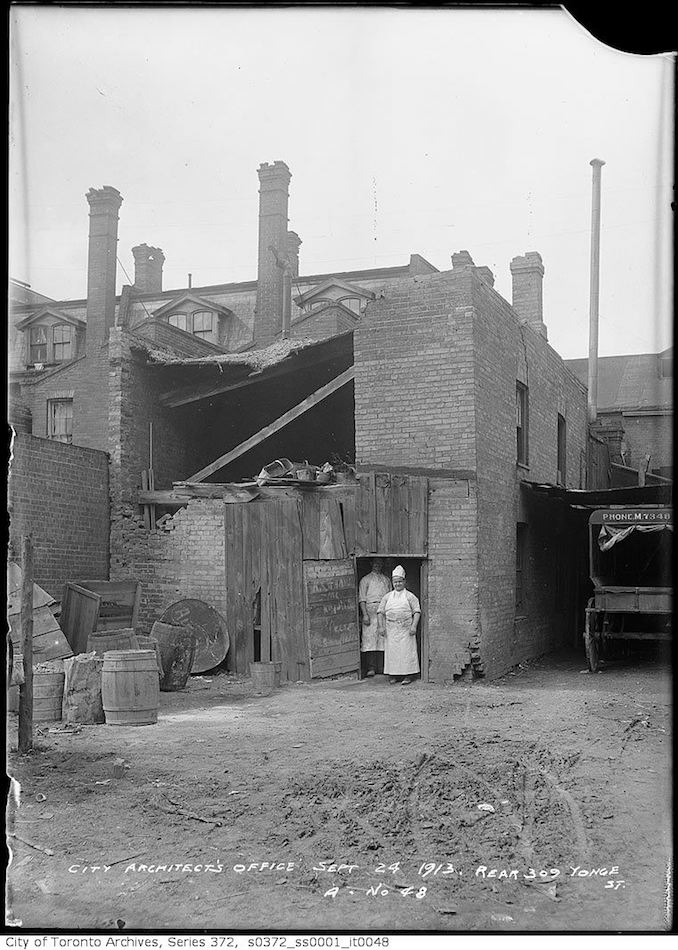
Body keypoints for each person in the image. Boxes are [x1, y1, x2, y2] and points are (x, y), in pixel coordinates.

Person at [377, 565, 421, 685]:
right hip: (391, 629)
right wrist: (381, 627)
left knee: (406, 652)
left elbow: (417, 611)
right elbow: (380, 612)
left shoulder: (410, 596)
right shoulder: (387, 597)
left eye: (400, 582)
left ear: (404, 582)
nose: (398, 584)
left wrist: (414, 626)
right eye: (395, 582)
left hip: (406, 629)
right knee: (393, 652)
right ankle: (393, 675)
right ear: (392, 582)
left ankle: (408, 675)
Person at [358, 557, 391, 677]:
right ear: (371, 564)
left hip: (383, 611)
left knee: (383, 639)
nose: (377, 565)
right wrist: (365, 614)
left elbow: (390, 597)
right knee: (369, 640)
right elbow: (362, 599)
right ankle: (371, 668)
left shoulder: (386, 580)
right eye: (375, 563)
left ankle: (381, 667)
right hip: (370, 612)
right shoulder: (365, 580)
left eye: (380, 563)